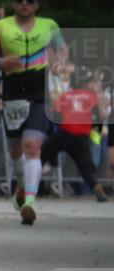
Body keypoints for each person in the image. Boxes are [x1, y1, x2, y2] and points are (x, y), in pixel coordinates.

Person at [0, 0, 67, 225]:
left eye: (29, 0)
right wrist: (1, 61)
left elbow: (62, 52)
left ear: (37, 5)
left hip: (40, 94)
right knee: (16, 150)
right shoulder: (1, 27)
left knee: (32, 146)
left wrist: (58, 63)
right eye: (20, 0)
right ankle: (21, 184)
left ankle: (29, 202)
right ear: (15, 4)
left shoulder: (49, 25)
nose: (24, 3)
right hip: (13, 94)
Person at [41, 71, 107, 202]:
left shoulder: (64, 95)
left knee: (44, 151)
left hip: (65, 132)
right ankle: (97, 187)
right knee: (85, 166)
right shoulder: (92, 96)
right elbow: (101, 115)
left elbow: (56, 115)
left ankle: (27, 184)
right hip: (82, 136)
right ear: (84, 83)